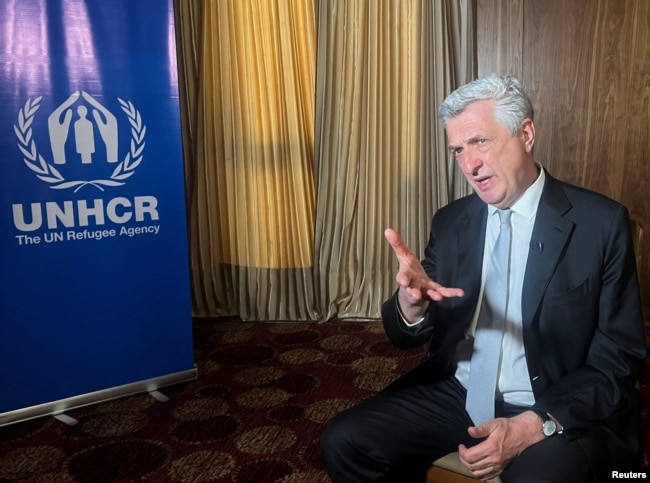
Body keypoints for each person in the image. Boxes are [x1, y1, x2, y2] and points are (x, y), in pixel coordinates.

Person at [320, 74, 646, 482]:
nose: (469, 165)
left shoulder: (599, 223)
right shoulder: (452, 221)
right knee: (344, 440)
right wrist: (411, 305)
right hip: (459, 393)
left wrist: (534, 424)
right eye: (458, 149)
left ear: (525, 133)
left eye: (480, 142)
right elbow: (406, 336)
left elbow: (619, 356)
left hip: (549, 402)